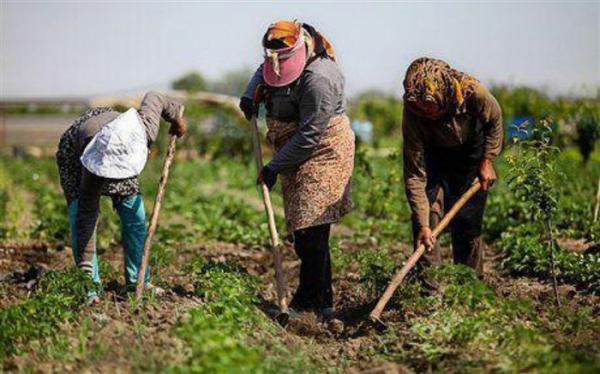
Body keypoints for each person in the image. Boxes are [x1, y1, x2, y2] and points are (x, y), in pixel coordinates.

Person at [239, 20, 354, 317]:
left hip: (322, 149)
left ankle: (308, 302)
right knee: (306, 231)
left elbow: (309, 136)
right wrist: (250, 94)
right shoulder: (276, 57)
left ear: (301, 50)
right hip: (294, 147)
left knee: (311, 226)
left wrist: (273, 167)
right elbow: (264, 70)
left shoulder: (320, 79)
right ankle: (324, 303)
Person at [56, 91, 186, 304]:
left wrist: (177, 119)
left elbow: (155, 97)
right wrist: (87, 283)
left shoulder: (144, 129)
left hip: (122, 140)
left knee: (135, 215)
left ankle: (139, 280)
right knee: (80, 213)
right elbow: (85, 219)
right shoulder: (91, 167)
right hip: (79, 152)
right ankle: (89, 286)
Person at [402, 57, 503, 284]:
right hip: (433, 154)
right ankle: (430, 289)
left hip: (470, 153)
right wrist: (425, 225)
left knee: (468, 220)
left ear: (443, 96)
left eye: (429, 108)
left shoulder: (473, 92)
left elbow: (495, 119)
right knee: (426, 216)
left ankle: (468, 287)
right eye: (418, 109)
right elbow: (414, 173)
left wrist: (487, 160)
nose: (424, 113)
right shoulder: (412, 112)